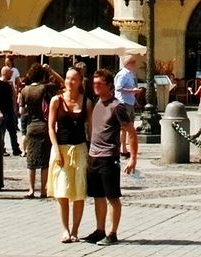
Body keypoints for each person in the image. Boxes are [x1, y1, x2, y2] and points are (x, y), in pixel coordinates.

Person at [84, 73, 137, 244]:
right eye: (94, 83)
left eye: (100, 84)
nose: (96, 86)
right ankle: (100, 230)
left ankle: (112, 233)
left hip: (109, 157)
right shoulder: (97, 102)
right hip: (94, 156)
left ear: (109, 86)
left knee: (112, 197)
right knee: (97, 196)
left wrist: (132, 158)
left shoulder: (117, 107)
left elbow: (131, 132)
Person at [47, 65, 91, 243]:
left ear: (80, 82)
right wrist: (56, 150)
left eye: (73, 79)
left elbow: (91, 128)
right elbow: (50, 127)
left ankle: (75, 230)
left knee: (79, 191)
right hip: (62, 149)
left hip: (79, 149)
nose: (69, 82)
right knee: (62, 191)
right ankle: (64, 229)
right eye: (67, 78)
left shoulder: (86, 101)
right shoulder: (56, 100)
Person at [20, 64, 53, 199]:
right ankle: (43, 191)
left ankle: (31, 190)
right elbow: (63, 85)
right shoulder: (45, 88)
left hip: (31, 127)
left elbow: (22, 111)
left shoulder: (25, 90)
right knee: (44, 161)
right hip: (44, 126)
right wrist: (50, 71)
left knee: (31, 161)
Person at [0, 61, 21, 157]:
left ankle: (15, 149)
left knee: (13, 131)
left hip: (10, 111)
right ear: (5, 73)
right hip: (2, 111)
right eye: (10, 72)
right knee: (2, 132)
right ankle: (1, 149)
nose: (12, 73)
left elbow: (14, 96)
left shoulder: (9, 84)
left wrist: (14, 109)